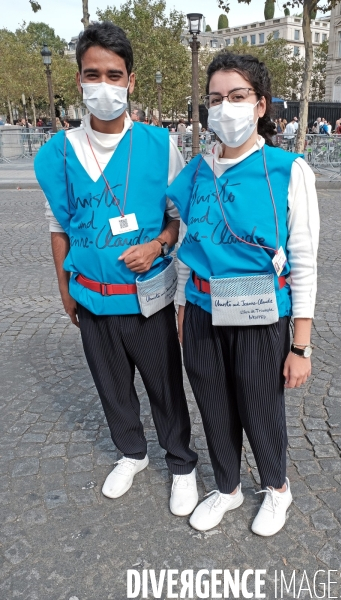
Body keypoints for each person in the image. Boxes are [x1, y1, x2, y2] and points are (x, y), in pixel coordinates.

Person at [34, 22, 198, 516]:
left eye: (114, 74)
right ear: (79, 79)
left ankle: (182, 463)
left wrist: (158, 245)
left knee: (165, 385)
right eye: (92, 74)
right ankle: (132, 453)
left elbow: (178, 220)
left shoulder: (158, 144)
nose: (103, 85)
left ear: (130, 80)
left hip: (148, 295)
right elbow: (57, 226)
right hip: (90, 294)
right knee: (111, 385)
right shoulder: (57, 154)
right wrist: (65, 291)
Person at [166, 53, 319, 536]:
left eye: (237, 97)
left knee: (259, 403)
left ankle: (276, 488)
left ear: (260, 106)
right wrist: (181, 307)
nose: (225, 108)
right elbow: (187, 247)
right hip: (205, 309)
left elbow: (304, 260)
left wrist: (300, 345)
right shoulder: (194, 174)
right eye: (215, 99)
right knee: (212, 400)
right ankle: (228, 487)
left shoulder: (287, 170)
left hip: (261, 311)